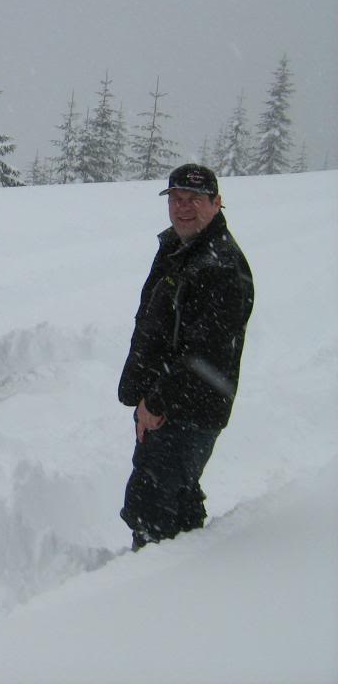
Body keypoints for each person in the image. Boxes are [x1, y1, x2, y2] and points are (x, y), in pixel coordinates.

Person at [118, 163, 254, 551]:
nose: (183, 207)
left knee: (150, 506)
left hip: (187, 409)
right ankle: (192, 569)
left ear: (216, 202)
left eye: (194, 199)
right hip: (168, 402)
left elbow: (204, 357)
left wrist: (155, 402)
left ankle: (150, 592)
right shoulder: (181, 248)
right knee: (175, 497)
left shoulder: (221, 267)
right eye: (176, 198)